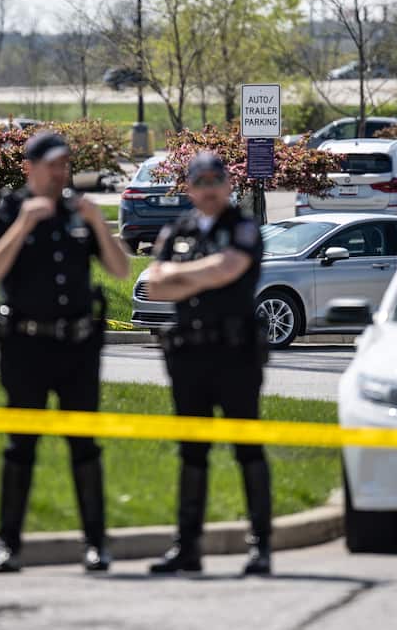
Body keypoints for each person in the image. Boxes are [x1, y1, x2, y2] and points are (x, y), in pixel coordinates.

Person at [0, 131, 131, 574]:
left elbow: (120, 270)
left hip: (78, 348)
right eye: (52, 165)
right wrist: (23, 225)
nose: (61, 173)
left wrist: (99, 223)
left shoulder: (77, 212)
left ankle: (97, 545)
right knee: (20, 446)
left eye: (65, 165)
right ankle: (8, 545)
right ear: (30, 167)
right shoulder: (6, 211)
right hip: (26, 346)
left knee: (85, 447)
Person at [141, 151, 273, 576]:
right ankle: (187, 548)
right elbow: (155, 287)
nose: (210, 188)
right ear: (190, 188)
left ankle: (261, 547)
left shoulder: (243, 227)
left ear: (228, 184)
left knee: (246, 449)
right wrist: (205, 273)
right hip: (188, 358)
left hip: (235, 356)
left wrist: (185, 275)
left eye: (216, 180)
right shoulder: (177, 229)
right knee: (191, 453)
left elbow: (230, 267)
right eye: (201, 181)